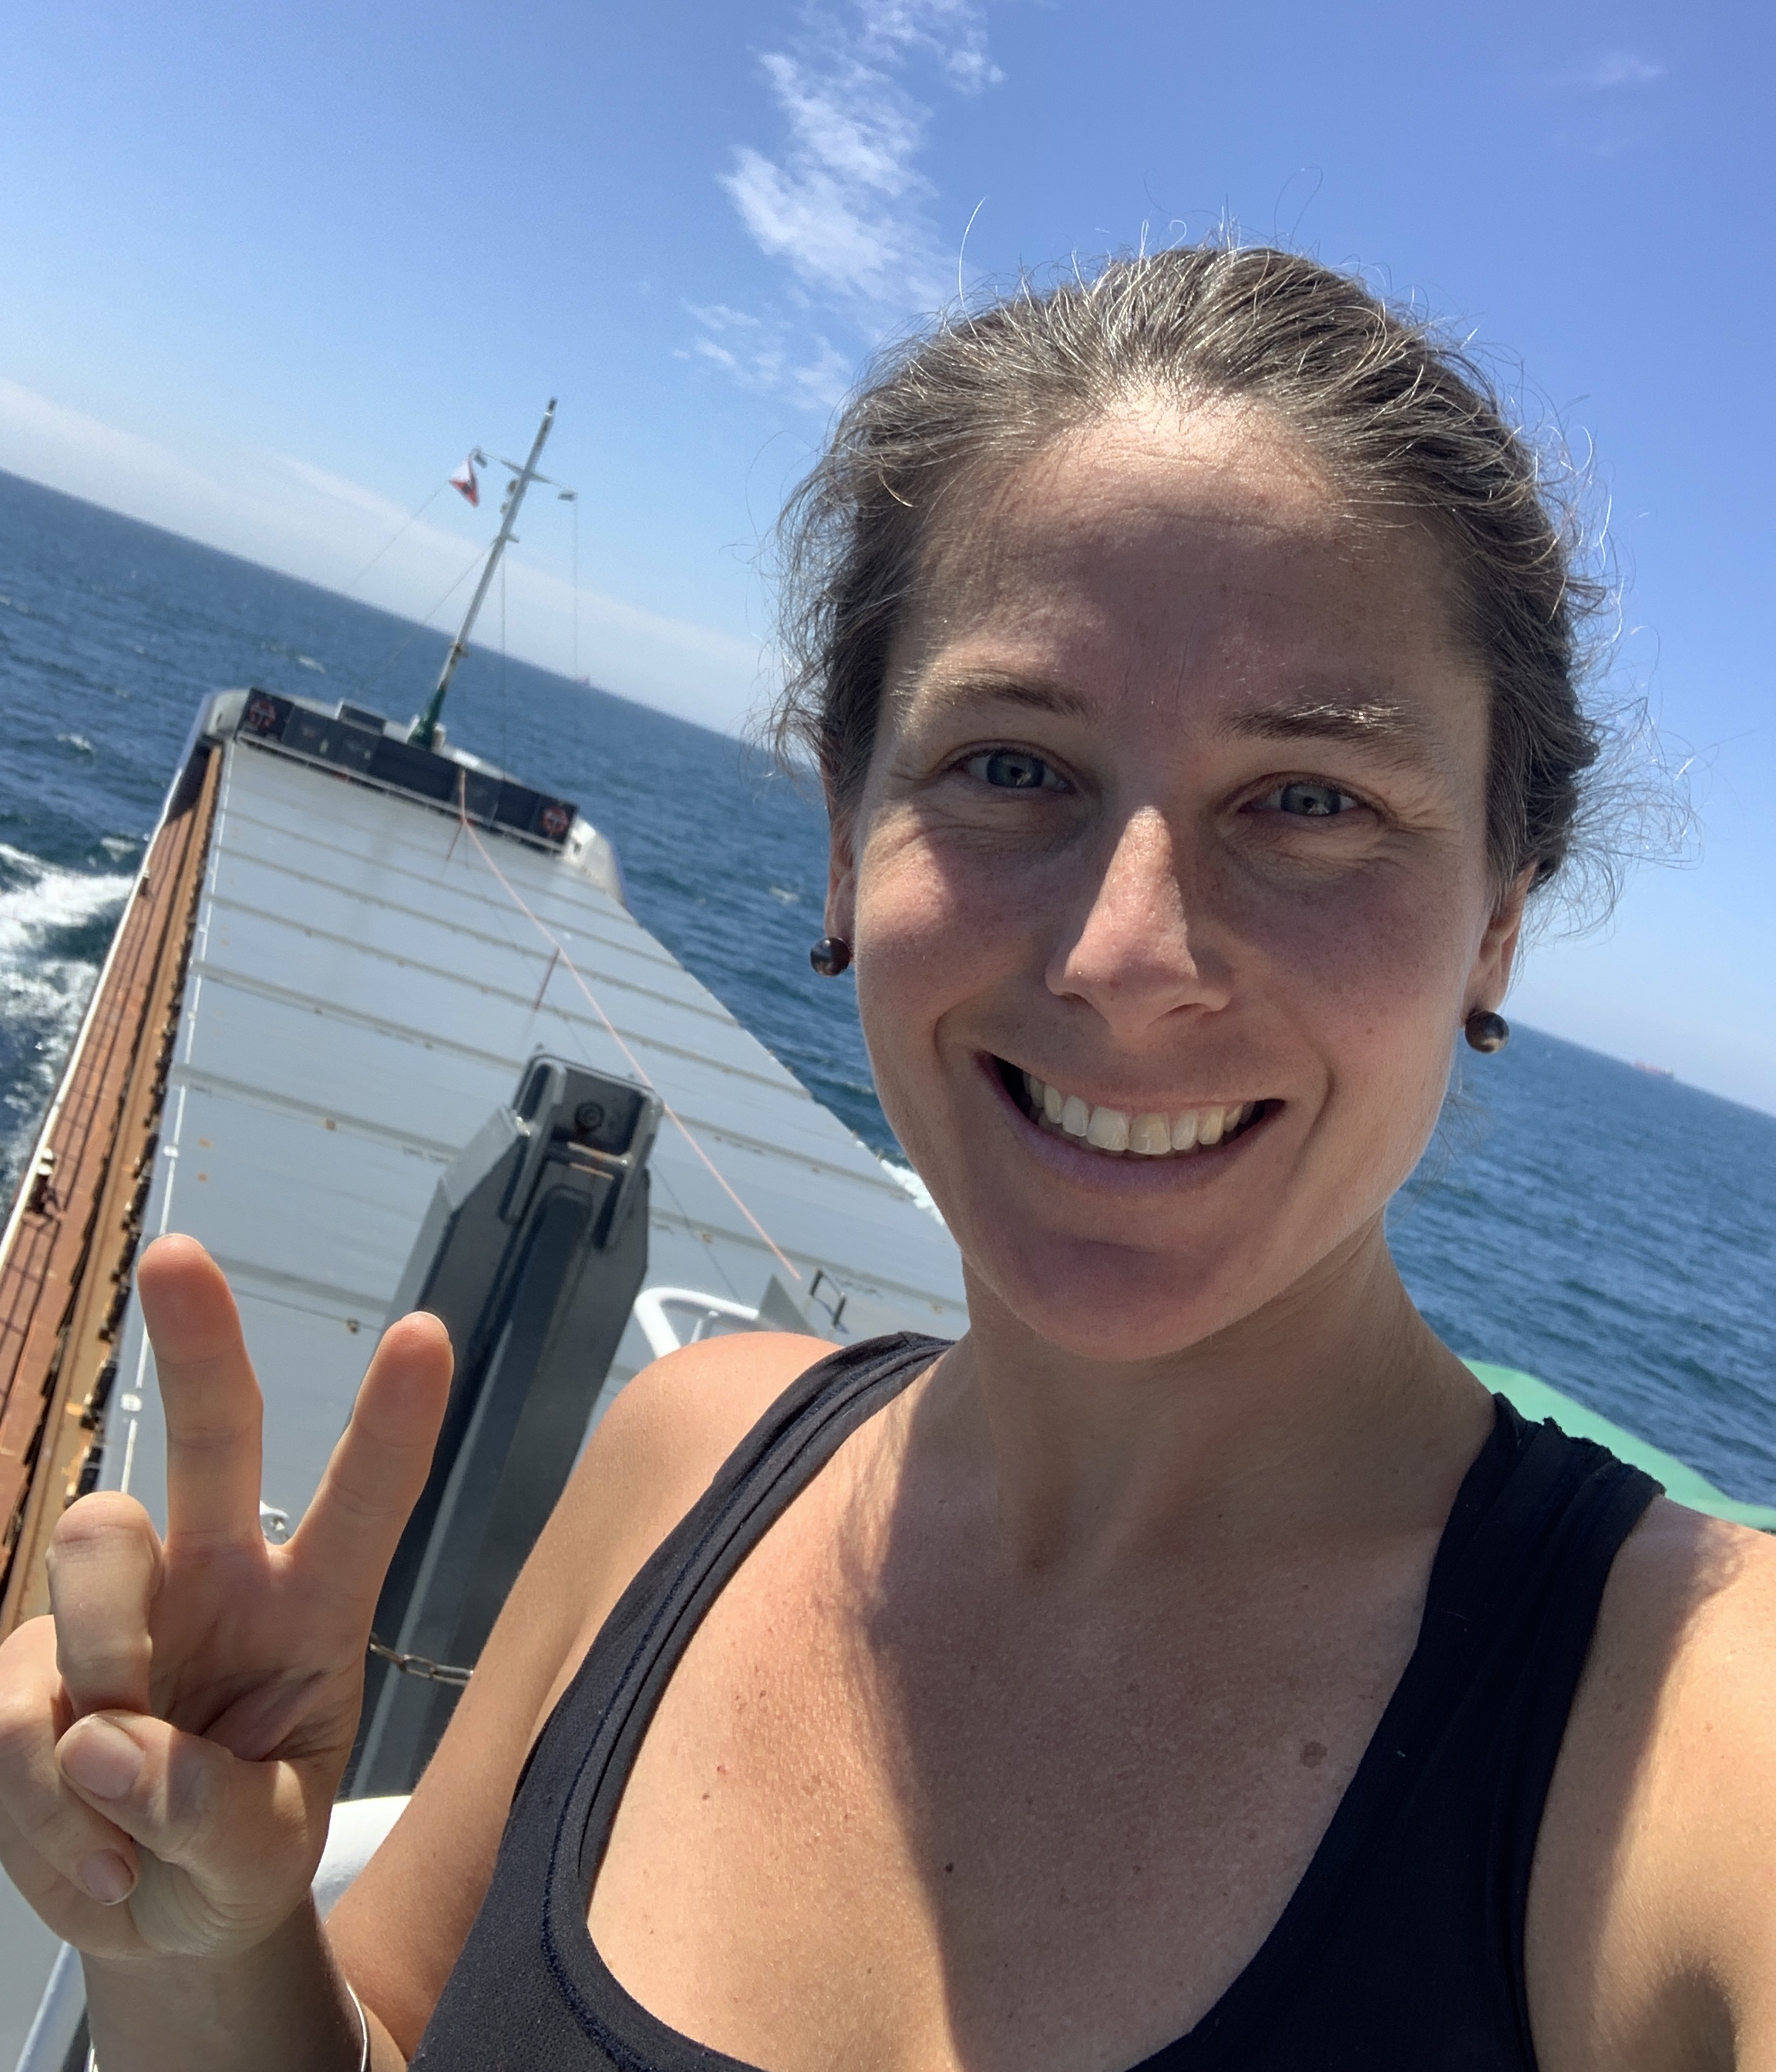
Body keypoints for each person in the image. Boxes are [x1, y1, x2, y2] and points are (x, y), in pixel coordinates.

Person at [2, 244, 1771, 2071]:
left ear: (1500, 920)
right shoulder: (683, 1462)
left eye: (1311, 799)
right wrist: (205, 1938)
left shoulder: (1702, 1741)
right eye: (1013, 765)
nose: (1124, 955)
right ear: (847, 837)